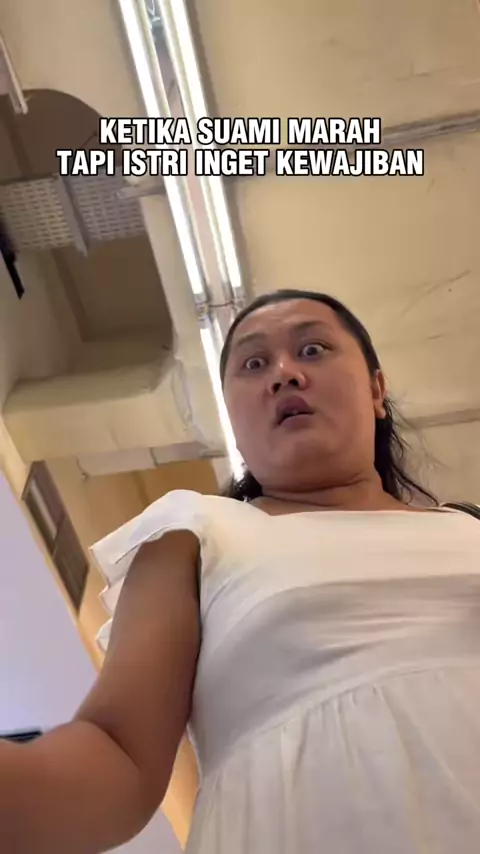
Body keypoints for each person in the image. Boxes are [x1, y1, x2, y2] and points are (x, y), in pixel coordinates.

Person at [2, 289, 480, 854]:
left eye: (313, 349)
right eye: (254, 364)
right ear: (233, 417)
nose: (284, 374)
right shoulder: (196, 533)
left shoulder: (468, 529)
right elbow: (117, 754)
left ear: (377, 390)